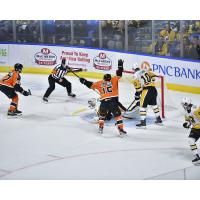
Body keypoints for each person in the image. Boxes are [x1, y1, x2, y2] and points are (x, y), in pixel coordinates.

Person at [79, 59, 127, 137]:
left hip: (104, 103)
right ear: (110, 78)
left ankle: (100, 128)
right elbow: (119, 74)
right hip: (113, 102)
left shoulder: (100, 83)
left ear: (104, 79)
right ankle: (121, 130)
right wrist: (120, 66)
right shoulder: (114, 80)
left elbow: (90, 84)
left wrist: (83, 81)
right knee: (118, 116)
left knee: (102, 116)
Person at [132, 63, 162, 127]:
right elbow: (153, 76)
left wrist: (137, 94)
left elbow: (138, 88)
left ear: (133, 69)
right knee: (154, 105)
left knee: (142, 106)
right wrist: (150, 82)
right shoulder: (145, 70)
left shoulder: (135, 75)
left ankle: (143, 123)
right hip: (154, 89)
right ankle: (159, 119)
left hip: (147, 91)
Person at [181, 97, 200, 165]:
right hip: (195, 128)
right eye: (183, 104)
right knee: (190, 140)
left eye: (185, 104)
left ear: (189, 103)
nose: (184, 106)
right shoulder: (185, 112)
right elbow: (188, 121)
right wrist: (187, 124)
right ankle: (197, 157)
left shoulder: (196, 109)